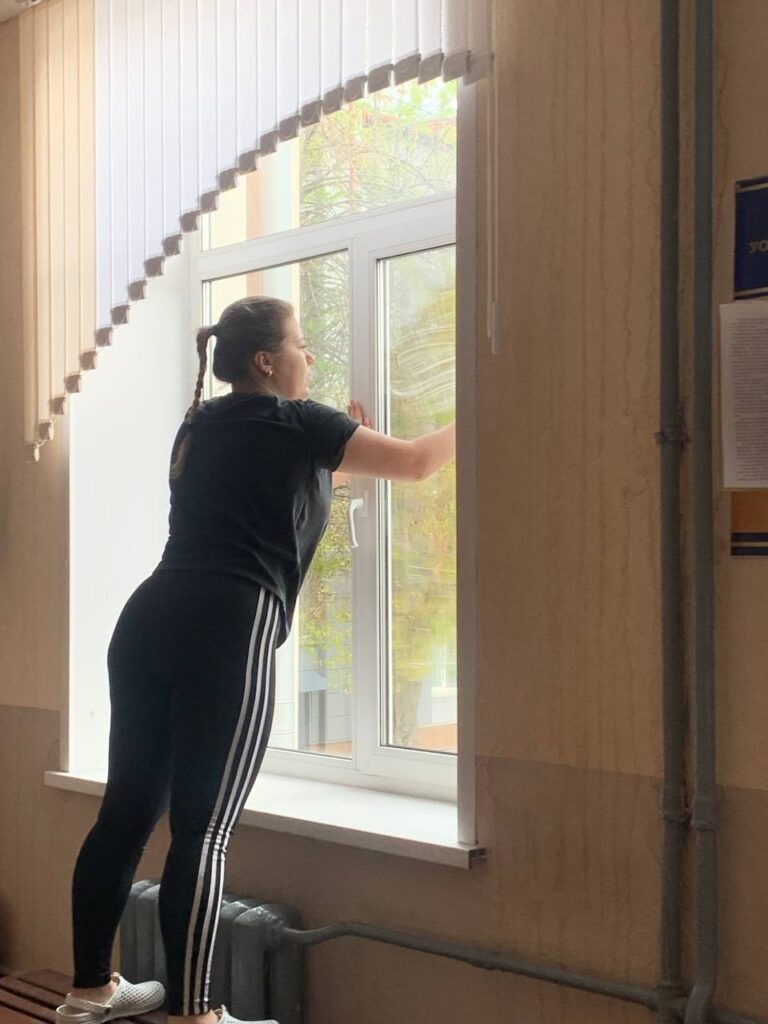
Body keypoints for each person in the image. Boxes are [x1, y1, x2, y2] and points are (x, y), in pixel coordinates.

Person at [55, 296, 456, 1024]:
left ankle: (87, 991)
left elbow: (270, 496)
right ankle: (196, 1015)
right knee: (203, 829)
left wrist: (338, 454)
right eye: (301, 345)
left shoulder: (199, 424)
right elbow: (421, 463)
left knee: (125, 814)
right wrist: (480, 410)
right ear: (267, 360)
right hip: (229, 624)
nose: (311, 356)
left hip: (149, 620)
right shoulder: (303, 422)